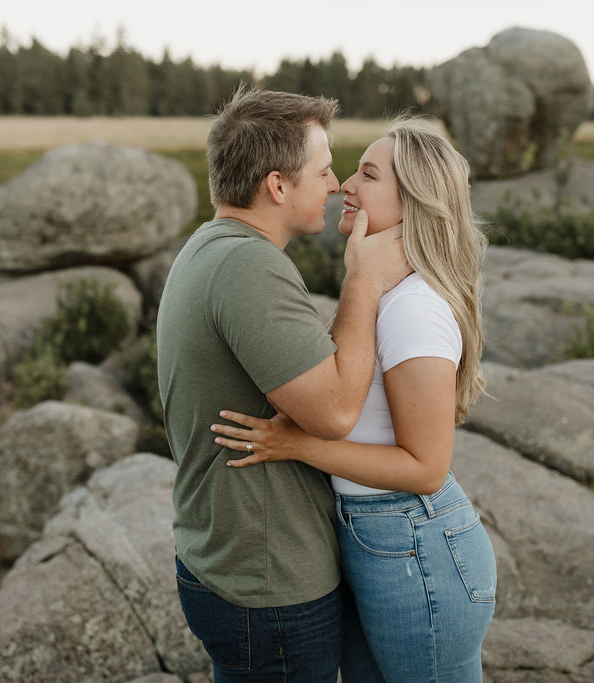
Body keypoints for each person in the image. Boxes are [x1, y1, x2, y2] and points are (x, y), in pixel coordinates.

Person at [210, 117, 497, 682]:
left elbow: (427, 468)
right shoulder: (380, 295)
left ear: (413, 201)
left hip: (416, 546)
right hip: (376, 541)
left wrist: (298, 446)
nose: (345, 183)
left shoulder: (414, 307)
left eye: (368, 175)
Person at [156, 88, 412, 682]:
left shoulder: (208, 247)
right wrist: (364, 281)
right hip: (269, 586)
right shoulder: (249, 266)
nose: (333, 184)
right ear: (277, 185)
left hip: (232, 563)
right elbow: (335, 411)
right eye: (323, 171)